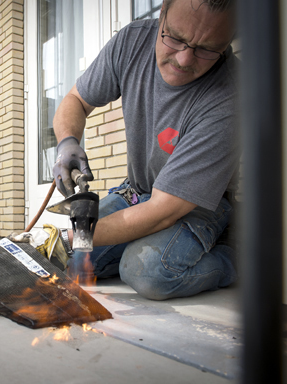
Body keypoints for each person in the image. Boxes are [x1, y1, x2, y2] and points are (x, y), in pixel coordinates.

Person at [52, 0, 239, 300]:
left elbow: (162, 212)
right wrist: (66, 142)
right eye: (175, 37)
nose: (184, 59)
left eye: (206, 49)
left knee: (147, 271)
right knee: (63, 259)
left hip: (197, 207)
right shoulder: (132, 42)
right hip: (138, 193)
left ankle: (233, 259)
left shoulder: (229, 96)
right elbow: (76, 99)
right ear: (162, 9)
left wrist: (77, 235)